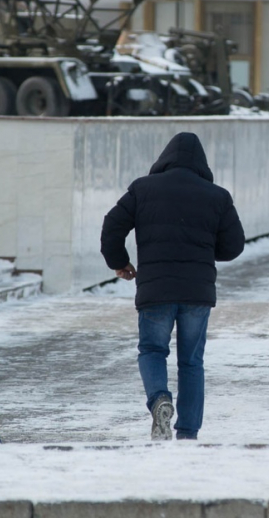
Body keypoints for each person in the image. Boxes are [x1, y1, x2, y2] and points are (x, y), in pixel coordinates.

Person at [100, 132, 245, 441]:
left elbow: (112, 226)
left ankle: (159, 400)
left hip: (155, 289)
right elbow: (234, 246)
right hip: (197, 293)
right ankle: (188, 431)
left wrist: (119, 261)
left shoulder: (142, 189)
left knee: (152, 350)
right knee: (192, 362)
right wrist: (205, 249)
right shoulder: (217, 195)